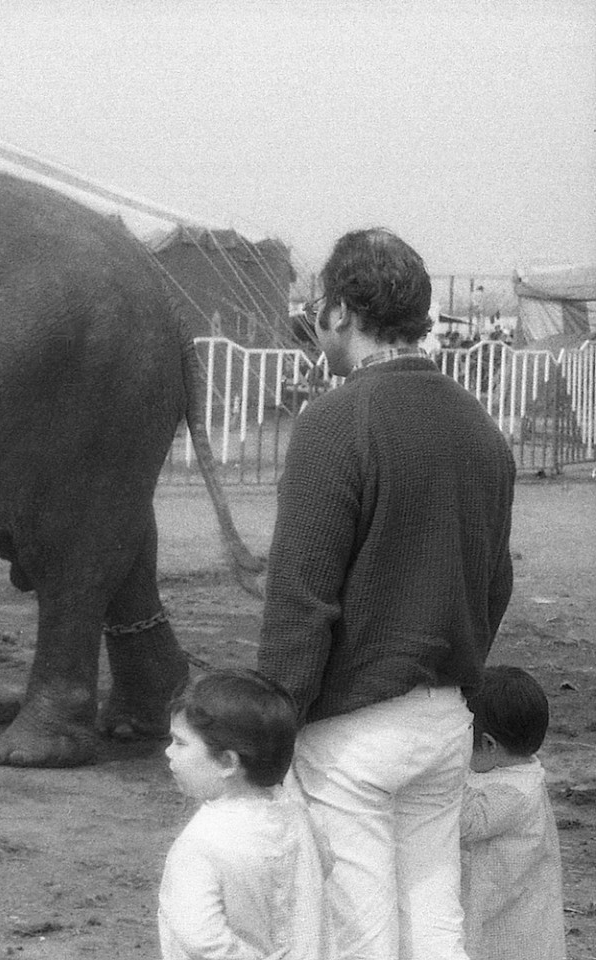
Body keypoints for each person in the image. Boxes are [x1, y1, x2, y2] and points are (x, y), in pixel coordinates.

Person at [258, 227, 516, 960]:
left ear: (339, 310)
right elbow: (494, 583)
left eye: (318, 308)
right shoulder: (480, 428)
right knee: (435, 923)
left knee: (357, 933)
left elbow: (299, 599)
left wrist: (272, 724)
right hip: (441, 721)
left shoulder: (335, 422)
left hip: (351, 731)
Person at [157, 668, 328, 960]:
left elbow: (199, 936)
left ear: (227, 761)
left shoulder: (201, 842)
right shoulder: (296, 814)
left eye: (180, 742)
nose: (168, 752)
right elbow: (325, 862)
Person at [461, 665, 565, 960]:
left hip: (513, 926)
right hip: (514, 904)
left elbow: (468, 822)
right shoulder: (521, 772)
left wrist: (446, 773)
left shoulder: (512, 792)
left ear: (489, 744)